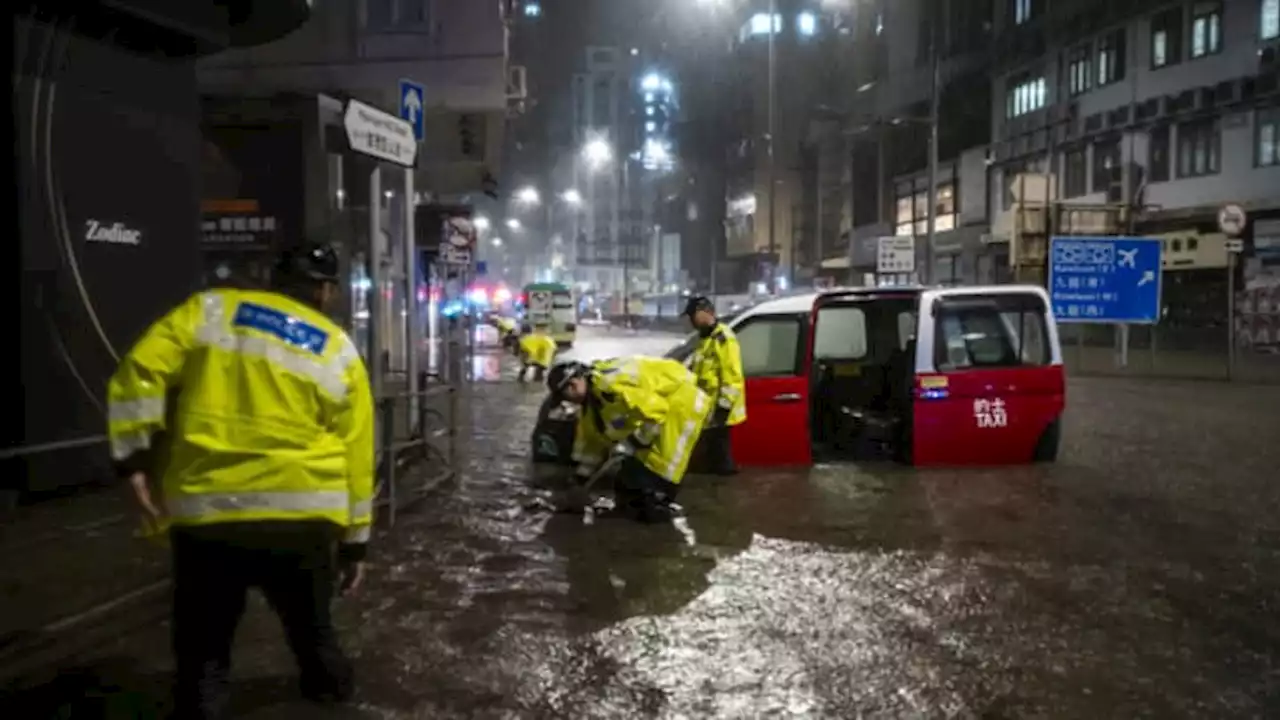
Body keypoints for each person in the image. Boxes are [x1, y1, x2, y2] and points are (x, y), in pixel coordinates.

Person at [106, 243, 374, 719]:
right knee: (314, 638)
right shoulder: (338, 348)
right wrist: (356, 543)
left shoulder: (210, 311)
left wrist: (134, 458)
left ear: (274, 277)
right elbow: (357, 454)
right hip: (303, 519)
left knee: (203, 653)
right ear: (326, 290)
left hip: (210, 514)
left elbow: (139, 372)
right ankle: (333, 698)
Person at [546, 356, 711, 523]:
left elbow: (656, 412)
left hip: (681, 405)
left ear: (573, 384)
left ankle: (663, 507)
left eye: (564, 396)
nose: (566, 402)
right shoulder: (589, 405)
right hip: (656, 416)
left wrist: (633, 442)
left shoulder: (611, 386)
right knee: (626, 486)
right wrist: (580, 480)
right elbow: (592, 445)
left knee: (658, 473)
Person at [683, 295, 746, 475]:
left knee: (721, 463)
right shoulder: (705, 339)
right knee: (712, 461)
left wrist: (723, 408)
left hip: (719, 411)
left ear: (704, 313)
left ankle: (724, 496)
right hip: (706, 409)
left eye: (692, 315)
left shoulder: (723, 338)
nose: (691, 321)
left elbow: (732, 377)